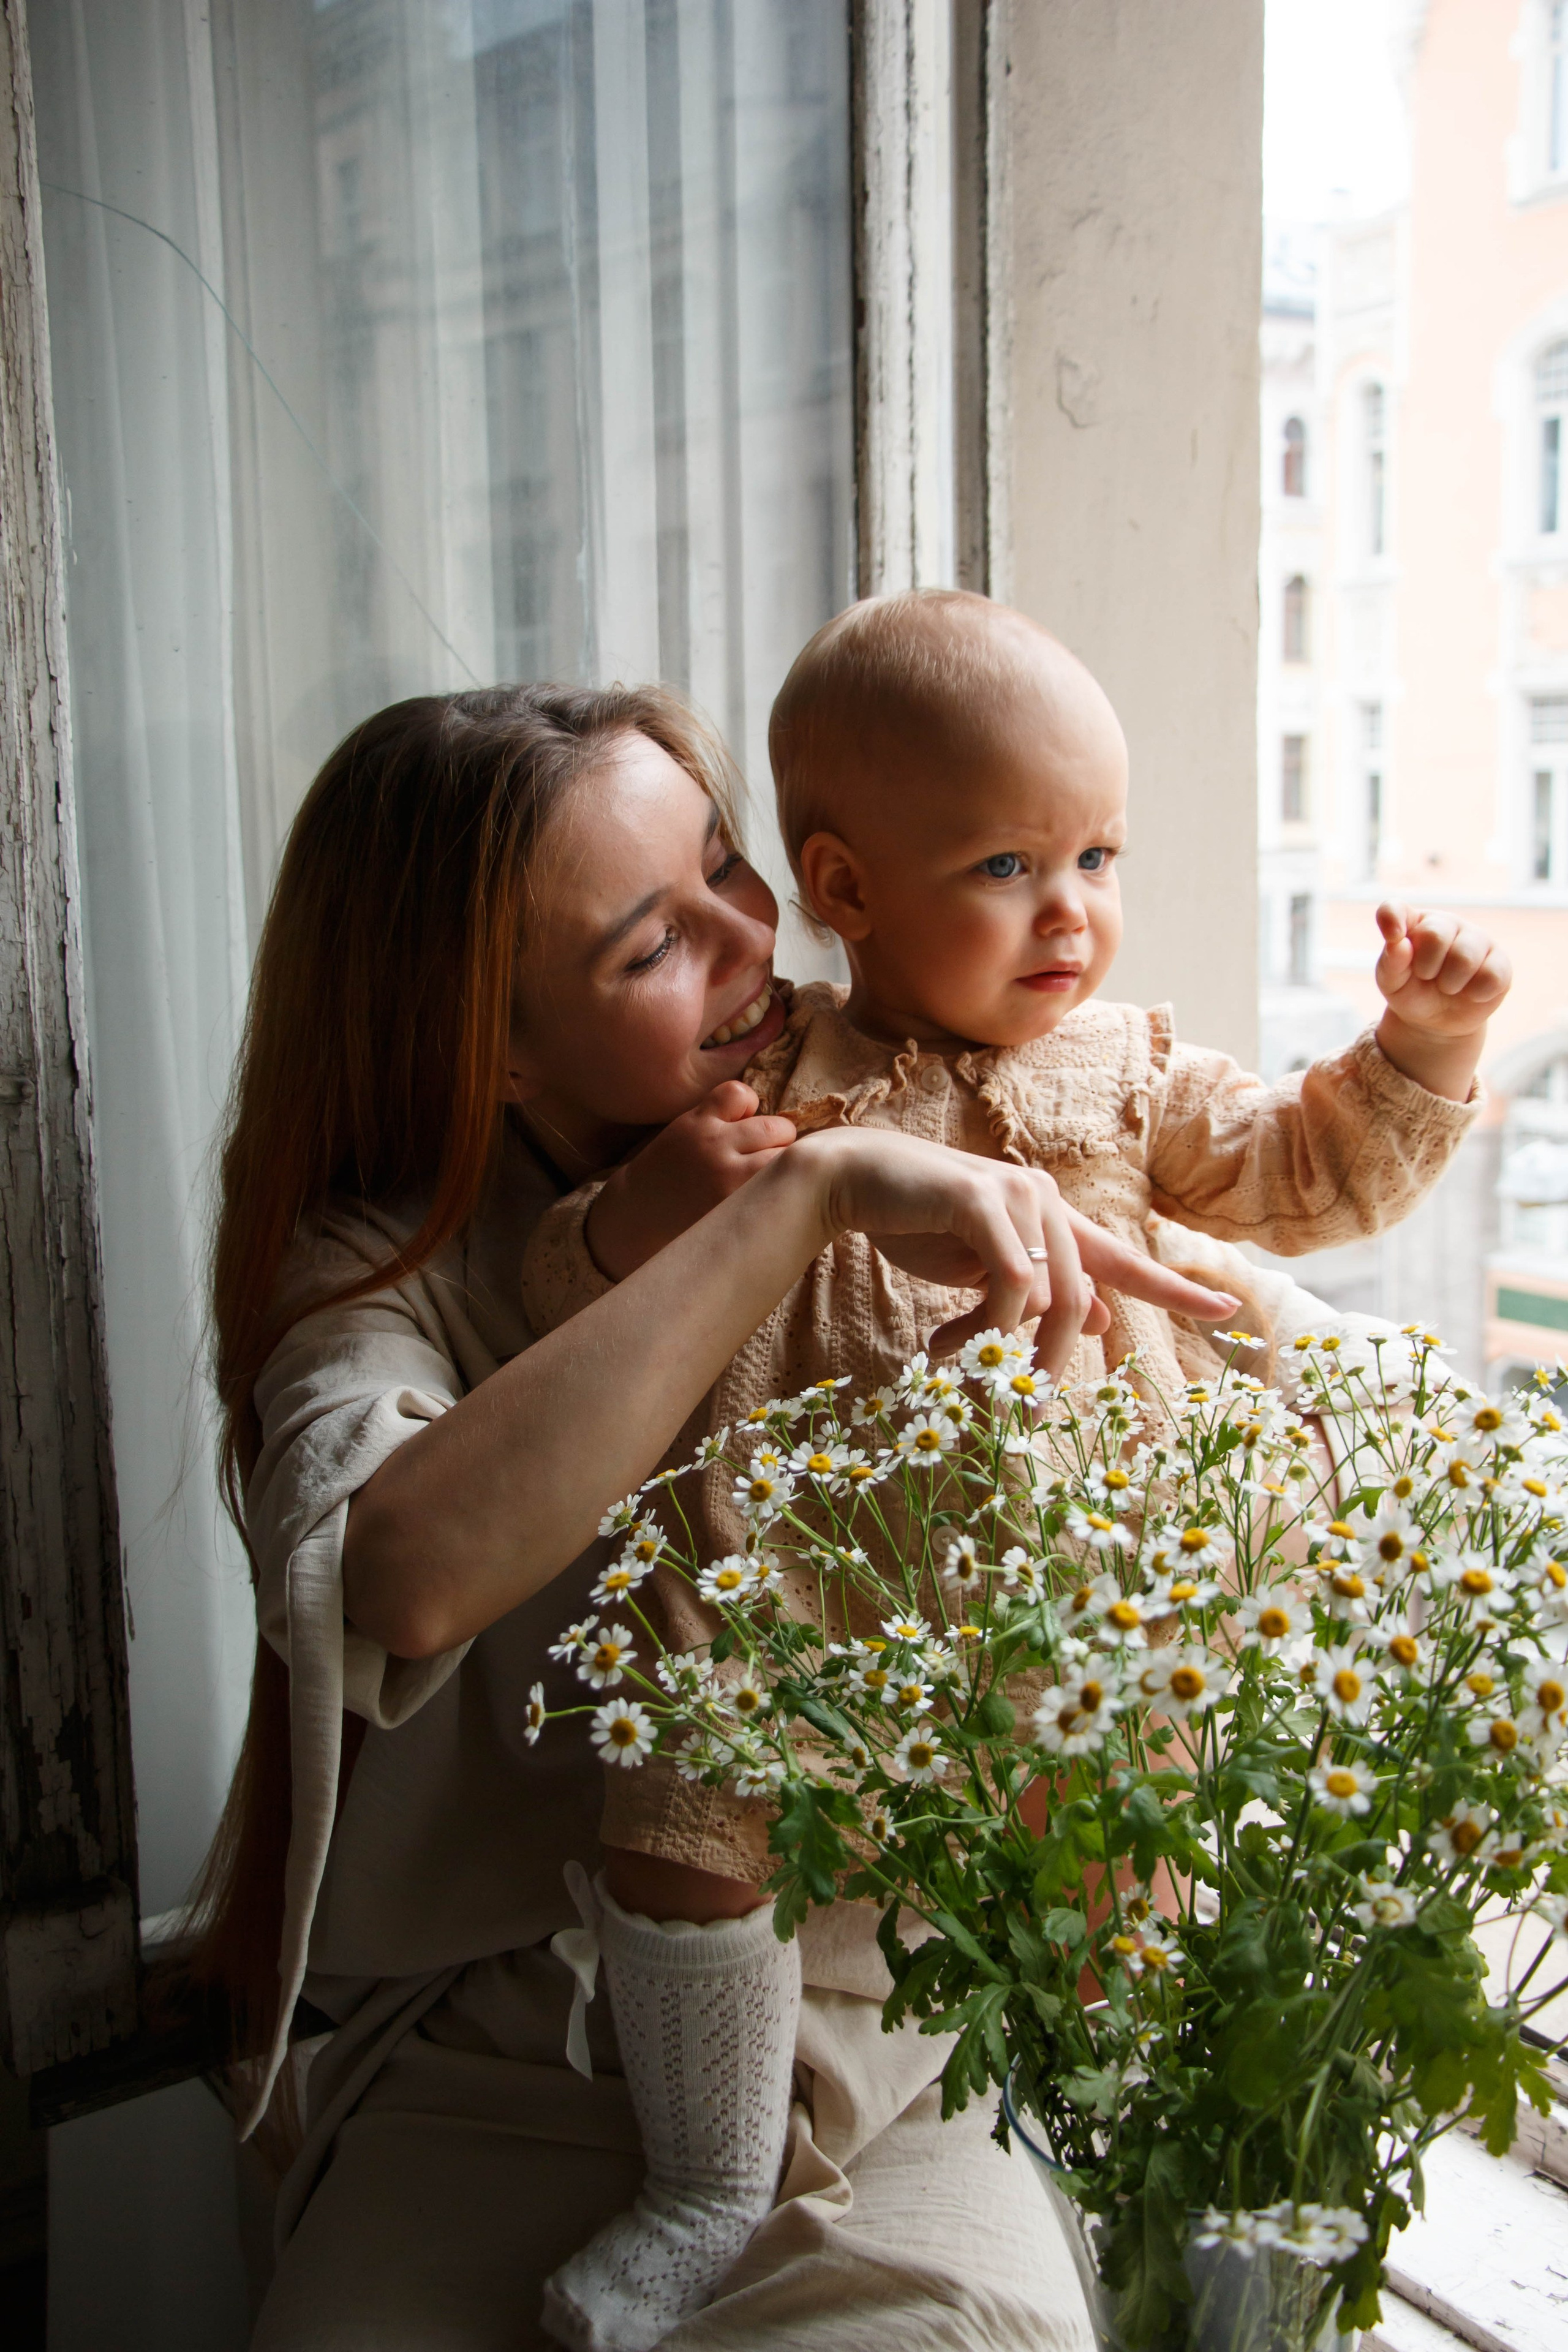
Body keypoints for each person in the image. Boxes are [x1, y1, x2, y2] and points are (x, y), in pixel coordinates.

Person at [519, 592, 1511, 2352]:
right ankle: (707, 2182)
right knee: (686, 1815)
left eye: (1098, 856)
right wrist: (645, 1213)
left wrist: (1420, 1049)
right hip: (808, 1570)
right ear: (844, 886)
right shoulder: (770, 1073)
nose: (1075, 912)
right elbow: (569, 1301)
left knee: (1133, 1879)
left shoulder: (1127, 1074)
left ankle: (1130, 2173)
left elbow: (1307, 1172)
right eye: (1007, 867)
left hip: (1096, 1590)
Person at [206, 680, 1240, 2352]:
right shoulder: (383, 1267)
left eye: (727, 868)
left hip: (881, 2049)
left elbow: (1214, 1283)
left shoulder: (927, 1093)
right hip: (502, 2066)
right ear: (493, 1045)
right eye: (652, 947)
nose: (753, 945)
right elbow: (396, 1579)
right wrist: (794, 1208)